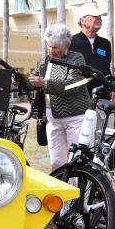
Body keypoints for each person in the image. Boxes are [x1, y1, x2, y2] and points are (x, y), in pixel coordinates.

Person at [28, 24, 91, 172]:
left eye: (55, 47)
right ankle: (62, 194)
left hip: (76, 119)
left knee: (76, 162)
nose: (50, 50)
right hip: (53, 120)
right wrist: (24, 82)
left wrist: (44, 83)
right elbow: (34, 82)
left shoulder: (76, 58)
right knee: (57, 162)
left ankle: (78, 193)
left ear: (65, 46)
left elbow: (72, 85)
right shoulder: (44, 61)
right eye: (49, 46)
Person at [70, 2, 112, 77]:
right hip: (80, 88)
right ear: (82, 21)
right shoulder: (70, 42)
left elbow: (106, 69)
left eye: (100, 16)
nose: (99, 18)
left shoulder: (105, 43)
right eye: (95, 16)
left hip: (102, 88)